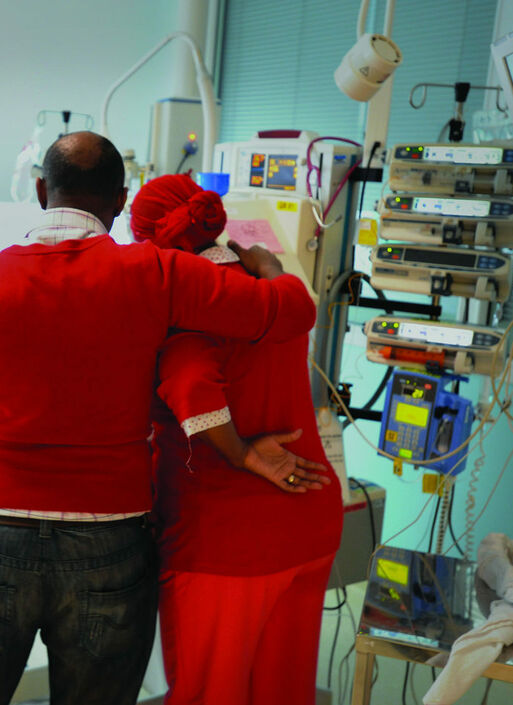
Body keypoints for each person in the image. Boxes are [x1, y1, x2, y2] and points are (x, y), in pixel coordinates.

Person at [0, 131, 325, 705]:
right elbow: (291, 311)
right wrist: (266, 263)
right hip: (110, 544)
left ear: (38, 189)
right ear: (121, 199)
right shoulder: (157, 275)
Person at [129, 173, 344, 705]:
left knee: (213, 693)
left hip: (227, 541)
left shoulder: (188, 301)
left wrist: (244, 452)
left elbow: (192, 388)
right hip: (306, 522)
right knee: (283, 690)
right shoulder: (274, 288)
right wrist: (271, 266)